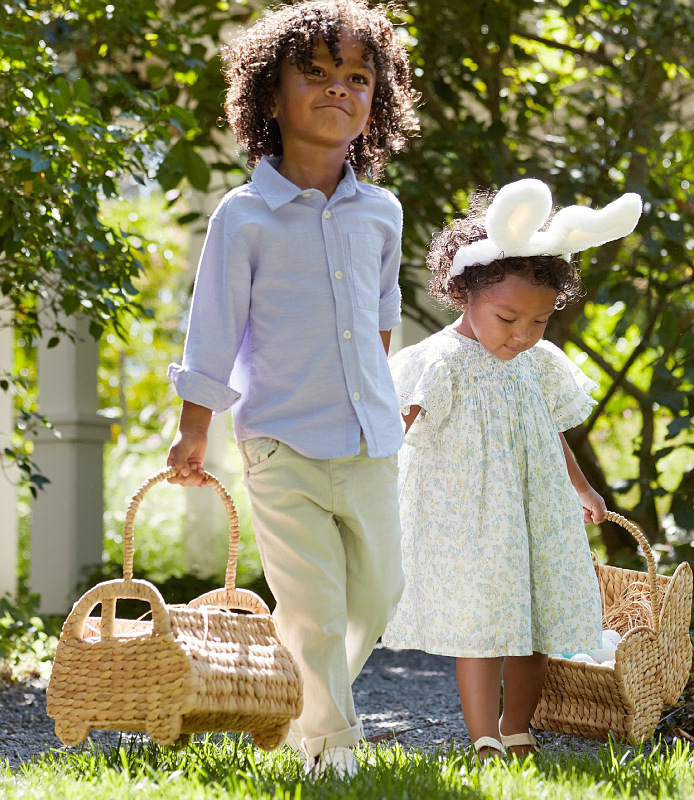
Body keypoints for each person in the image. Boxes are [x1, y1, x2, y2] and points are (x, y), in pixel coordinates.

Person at [165, 0, 418, 777]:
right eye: (314, 73)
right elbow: (211, 333)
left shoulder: (382, 211)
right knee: (310, 607)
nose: (338, 87)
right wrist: (194, 428)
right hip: (280, 442)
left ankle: (303, 704)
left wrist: (384, 400)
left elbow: (381, 322)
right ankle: (332, 747)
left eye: (357, 77)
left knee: (378, 594)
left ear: (378, 104)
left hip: (370, 438)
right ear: (269, 98)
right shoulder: (244, 218)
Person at [381, 178, 642, 759]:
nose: (522, 335)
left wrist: (582, 486)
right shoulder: (439, 362)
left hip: (537, 511)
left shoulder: (538, 363)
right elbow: (394, 434)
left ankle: (518, 728)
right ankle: (483, 739)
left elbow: (548, 433)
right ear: (462, 292)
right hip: (471, 519)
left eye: (538, 323)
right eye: (507, 319)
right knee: (482, 626)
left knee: (539, 621)